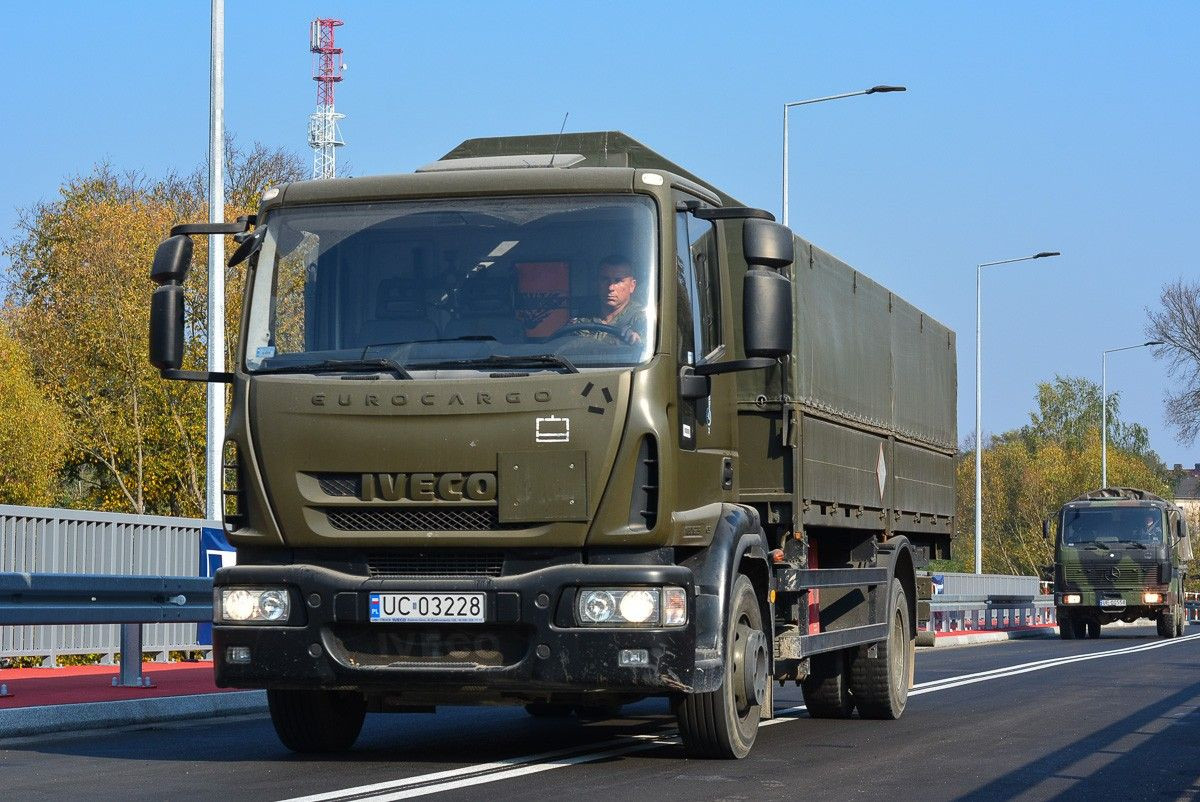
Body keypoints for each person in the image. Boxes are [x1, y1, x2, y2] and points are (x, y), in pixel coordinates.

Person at [566, 255, 647, 345]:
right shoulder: (583, 319)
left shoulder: (643, 319)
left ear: (632, 286)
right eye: (605, 279)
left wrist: (638, 341)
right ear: (598, 282)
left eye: (618, 281)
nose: (610, 287)